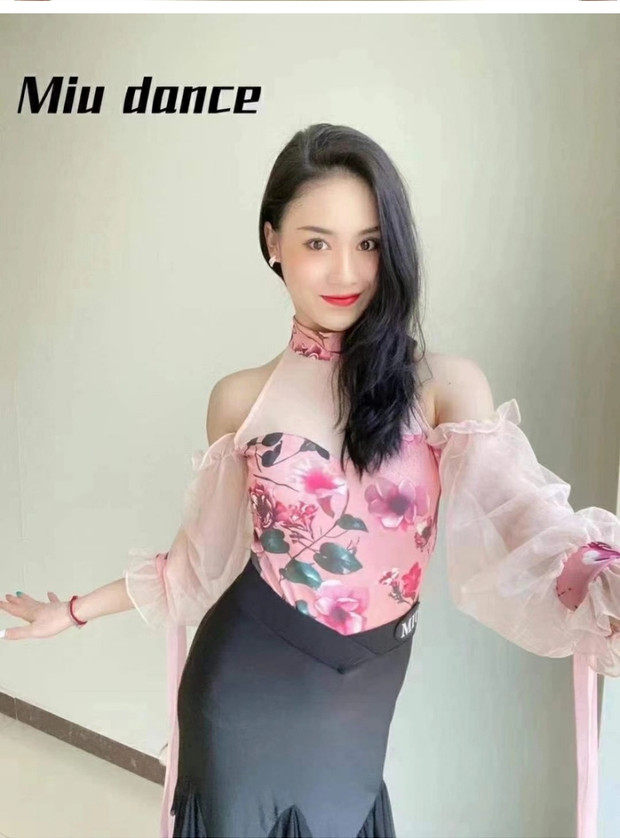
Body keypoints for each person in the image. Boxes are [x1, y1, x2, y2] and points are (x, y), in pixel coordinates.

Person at [1, 123, 619, 838]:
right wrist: (73, 612)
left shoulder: (444, 387)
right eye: (318, 242)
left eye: (369, 243)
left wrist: (599, 574)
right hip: (243, 689)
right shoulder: (240, 400)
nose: (346, 272)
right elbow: (196, 565)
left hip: (364, 700)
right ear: (273, 242)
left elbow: (526, 523)